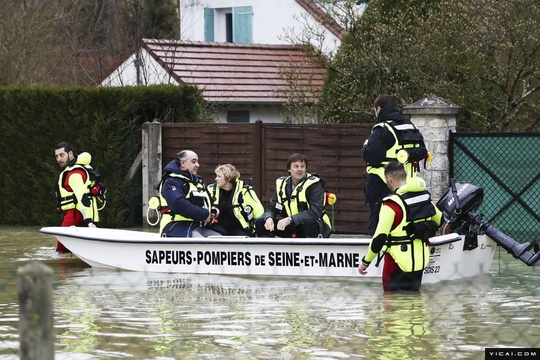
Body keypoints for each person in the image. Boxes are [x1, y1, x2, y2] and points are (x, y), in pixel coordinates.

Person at [358, 161, 442, 292]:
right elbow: (440, 219)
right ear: (406, 175)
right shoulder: (424, 198)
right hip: (419, 263)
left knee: (391, 304)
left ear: (389, 178)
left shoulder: (391, 204)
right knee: (414, 303)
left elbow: (379, 238)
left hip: (396, 263)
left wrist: (366, 262)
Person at [361, 94, 428, 236]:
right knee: (403, 218)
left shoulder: (382, 128)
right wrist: (408, 155)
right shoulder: (409, 126)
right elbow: (423, 151)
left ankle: (375, 253)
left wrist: (365, 146)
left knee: (380, 220)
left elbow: (372, 156)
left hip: (383, 183)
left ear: (378, 109)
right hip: (407, 181)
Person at [255, 153, 332, 238]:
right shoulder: (282, 184)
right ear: (289, 169)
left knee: (309, 222)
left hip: (314, 226)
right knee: (261, 222)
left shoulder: (315, 184)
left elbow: (314, 212)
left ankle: (310, 250)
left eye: (302, 166)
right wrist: (268, 218)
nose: (300, 169)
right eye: (296, 166)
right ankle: (269, 250)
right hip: (291, 227)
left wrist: (290, 219)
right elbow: (272, 208)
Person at [158, 150, 221, 237]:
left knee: (220, 240)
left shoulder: (197, 183)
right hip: (174, 227)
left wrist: (212, 210)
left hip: (196, 226)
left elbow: (206, 201)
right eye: (193, 162)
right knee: (205, 246)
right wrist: (204, 214)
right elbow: (178, 204)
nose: (197, 165)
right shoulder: (171, 181)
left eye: (197, 162)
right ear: (183, 163)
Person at [54, 142, 100, 253]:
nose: (59, 159)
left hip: (75, 215)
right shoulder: (76, 169)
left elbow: (82, 196)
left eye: (62, 155)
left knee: (61, 252)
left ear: (70, 154)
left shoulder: (73, 173)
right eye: (56, 156)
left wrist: (88, 221)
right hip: (82, 215)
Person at [206, 164, 264, 236]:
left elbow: (259, 213)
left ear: (228, 178)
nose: (216, 179)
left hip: (240, 227)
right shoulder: (211, 190)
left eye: (219, 176)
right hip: (218, 226)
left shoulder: (245, 191)